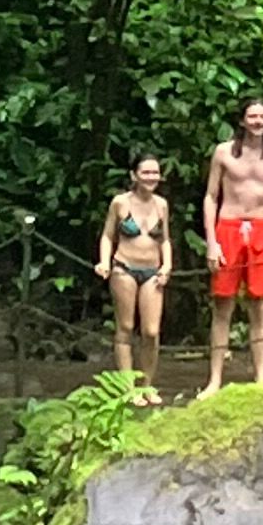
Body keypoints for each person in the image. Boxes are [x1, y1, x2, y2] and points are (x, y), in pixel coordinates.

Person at [202, 97, 263, 391]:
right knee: (222, 304)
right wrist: (212, 242)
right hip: (229, 226)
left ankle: (261, 379)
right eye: (252, 116)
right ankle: (215, 380)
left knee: (259, 305)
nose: (257, 121)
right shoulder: (224, 153)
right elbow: (211, 197)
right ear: (242, 120)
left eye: (262, 117)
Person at [97, 153, 174, 391]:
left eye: (155, 173)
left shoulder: (161, 204)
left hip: (152, 271)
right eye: (146, 172)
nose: (151, 177)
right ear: (134, 175)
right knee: (126, 327)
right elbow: (108, 236)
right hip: (124, 268)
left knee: (151, 331)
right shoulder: (120, 203)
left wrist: (167, 265)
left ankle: (147, 385)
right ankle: (127, 386)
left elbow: (165, 240)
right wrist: (104, 261)